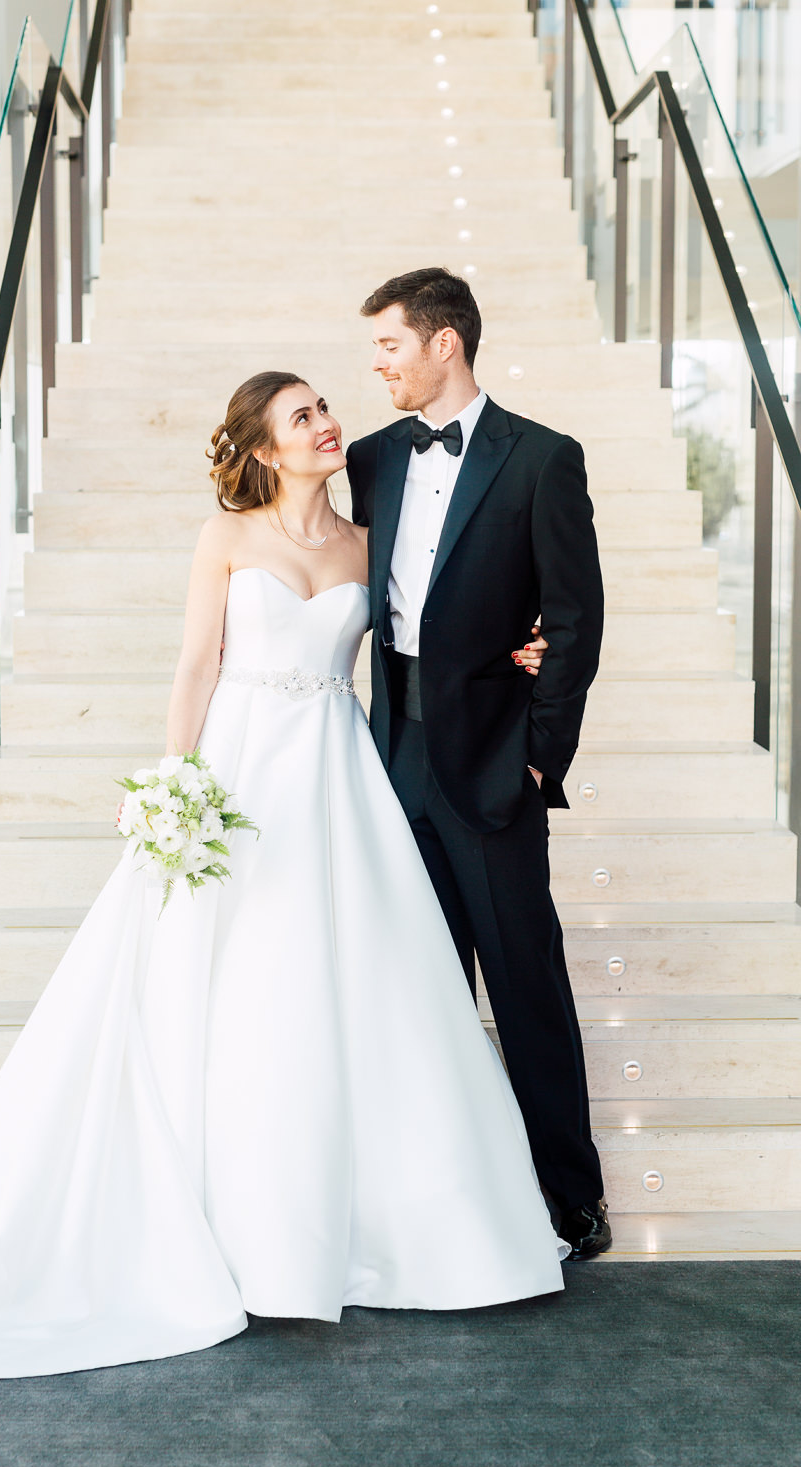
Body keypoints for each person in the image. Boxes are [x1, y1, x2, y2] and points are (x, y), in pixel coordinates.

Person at [0, 370, 567, 1384]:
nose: (326, 424)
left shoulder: (367, 544)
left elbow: (429, 641)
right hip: (238, 774)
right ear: (265, 449)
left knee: (353, 985)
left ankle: (386, 1227)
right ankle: (233, 1231)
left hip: (336, 777)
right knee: (228, 983)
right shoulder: (226, 538)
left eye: (323, 408)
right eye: (302, 416)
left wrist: (521, 651)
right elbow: (195, 664)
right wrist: (172, 781)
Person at [347, 267, 610, 1258]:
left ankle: (568, 1193)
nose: (377, 364)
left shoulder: (542, 459)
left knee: (521, 978)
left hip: (493, 759)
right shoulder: (369, 459)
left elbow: (575, 618)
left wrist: (540, 757)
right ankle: (435, 1192)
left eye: (388, 346)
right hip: (386, 753)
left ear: (442, 343)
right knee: (417, 985)